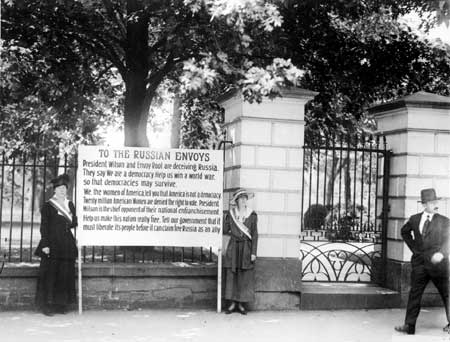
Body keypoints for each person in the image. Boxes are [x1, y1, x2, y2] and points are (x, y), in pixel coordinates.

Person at [395, 188, 450, 334]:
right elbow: (404, 232)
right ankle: (409, 325)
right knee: (415, 294)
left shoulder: (444, 221)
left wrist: (442, 253)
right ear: (424, 204)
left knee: (447, 293)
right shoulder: (414, 219)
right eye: (432, 202)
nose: (435, 205)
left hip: (439, 265)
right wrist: (414, 249)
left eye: (436, 202)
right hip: (420, 264)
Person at [35, 174, 78, 316]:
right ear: (54, 190)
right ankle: (47, 305)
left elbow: (73, 224)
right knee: (50, 275)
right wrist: (45, 244)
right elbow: (44, 226)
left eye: (64, 188)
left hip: (66, 244)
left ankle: (61, 304)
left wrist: (74, 217)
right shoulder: (48, 206)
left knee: (64, 274)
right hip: (52, 243)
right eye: (59, 188)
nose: (62, 191)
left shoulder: (70, 204)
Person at [223, 188, 258, 315]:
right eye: (241, 198)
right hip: (234, 247)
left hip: (246, 249)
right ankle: (232, 303)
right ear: (236, 201)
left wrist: (253, 252)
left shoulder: (252, 215)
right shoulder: (231, 214)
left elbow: (254, 234)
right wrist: (227, 216)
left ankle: (242, 304)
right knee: (232, 275)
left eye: (245, 198)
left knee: (244, 276)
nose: (244, 201)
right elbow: (225, 229)